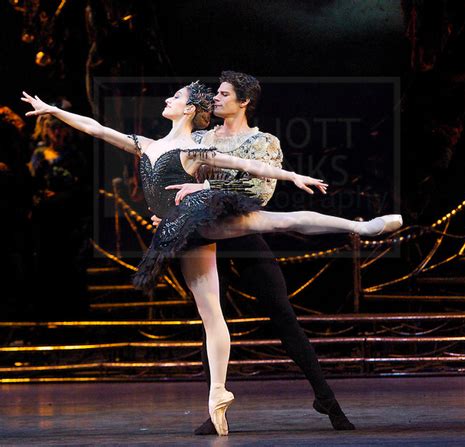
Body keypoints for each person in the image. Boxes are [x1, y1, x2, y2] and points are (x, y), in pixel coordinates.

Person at [21, 83, 402, 436]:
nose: (167, 100)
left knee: (279, 222)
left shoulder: (194, 149)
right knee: (210, 314)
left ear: (188, 110)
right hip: (182, 233)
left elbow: (248, 167)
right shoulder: (147, 144)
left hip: (204, 216)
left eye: (175, 96)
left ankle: (366, 228)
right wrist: (53, 109)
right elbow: (97, 129)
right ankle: (217, 394)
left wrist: (292, 176)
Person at [151, 71, 396, 435]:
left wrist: (207, 190)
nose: (215, 99)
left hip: (242, 229)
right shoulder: (198, 137)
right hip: (205, 235)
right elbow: (175, 181)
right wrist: (169, 209)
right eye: (215, 94)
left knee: (282, 315)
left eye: (223, 94)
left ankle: (326, 399)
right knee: (211, 322)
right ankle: (214, 408)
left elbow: (260, 193)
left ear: (244, 101)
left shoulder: (262, 142)